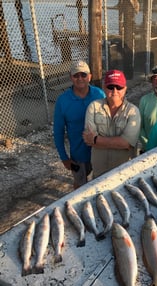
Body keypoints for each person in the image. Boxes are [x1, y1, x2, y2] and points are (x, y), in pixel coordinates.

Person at [53, 60, 105, 189]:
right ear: (71, 77)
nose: (80, 78)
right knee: (80, 184)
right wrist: (64, 157)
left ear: (90, 76)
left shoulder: (99, 94)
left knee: (102, 182)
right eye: (76, 75)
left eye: (84, 74)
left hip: (100, 150)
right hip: (78, 154)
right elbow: (58, 131)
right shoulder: (62, 101)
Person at [83, 69, 141, 178]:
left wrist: (96, 140)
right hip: (99, 172)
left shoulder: (133, 111)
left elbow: (126, 143)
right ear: (104, 88)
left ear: (125, 89)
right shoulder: (94, 107)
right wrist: (118, 142)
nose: (115, 91)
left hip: (124, 173)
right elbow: (88, 139)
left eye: (119, 87)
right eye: (111, 87)